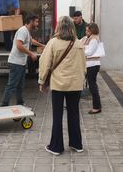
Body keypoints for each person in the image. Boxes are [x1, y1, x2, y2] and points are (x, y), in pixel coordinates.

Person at [38, 16, 86, 156]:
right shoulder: (78, 43)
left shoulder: (53, 43)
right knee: (74, 114)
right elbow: (83, 65)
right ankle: (77, 144)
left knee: (57, 116)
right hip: (75, 84)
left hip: (59, 85)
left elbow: (45, 63)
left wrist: (42, 81)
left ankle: (56, 146)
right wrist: (82, 80)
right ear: (72, 27)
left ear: (59, 26)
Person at [1, 14, 45, 106]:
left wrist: (42, 45)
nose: (37, 24)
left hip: (21, 63)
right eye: (36, 22)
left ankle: (20, 104)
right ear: (31, 21)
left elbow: (31, 41)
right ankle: (4, 105)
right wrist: (31, 53)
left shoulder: (27, 31)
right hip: (16, 63)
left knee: (20, 86)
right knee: (12, 85)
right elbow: (19, 45)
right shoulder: (23, 31)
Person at [82, 23, 102, 114]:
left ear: (92, 30)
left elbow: (89, 52)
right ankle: (97, 106)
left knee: (92, 85)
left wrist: (81, 50)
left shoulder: (94, 39)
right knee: (92, 85)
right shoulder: (88, 38)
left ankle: (97, 107)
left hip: (92, 65)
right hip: (90, 65)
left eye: (87, 30)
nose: (86, 32)